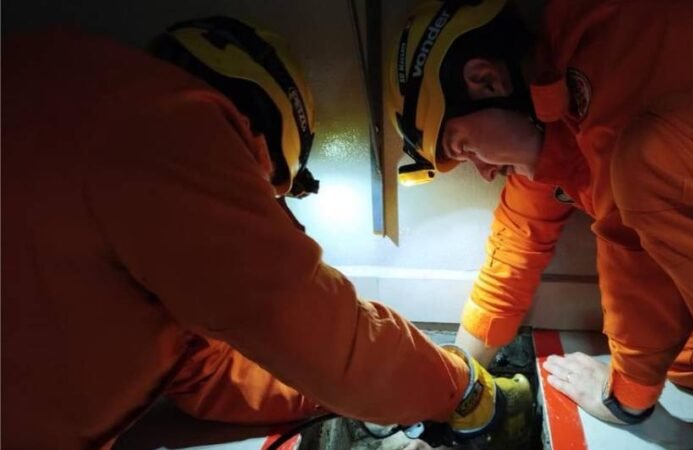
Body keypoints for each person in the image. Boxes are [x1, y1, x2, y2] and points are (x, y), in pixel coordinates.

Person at [1, 17, 532, 449]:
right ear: (258, 139)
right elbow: (308, 326)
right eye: (264, 192)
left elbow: (205, 371)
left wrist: (340, 390)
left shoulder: (69, 87)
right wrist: (459, 389)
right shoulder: (168, 131)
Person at [387, 0, 693, 441]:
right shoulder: (558, 111)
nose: (484, 172)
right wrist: (459, 374)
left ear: (486, 79)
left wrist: (624, 398)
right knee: (684, 357)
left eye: (465, 147)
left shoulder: (617, 35)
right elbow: (516, 242)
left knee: (651, 159)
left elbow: (631, 232)